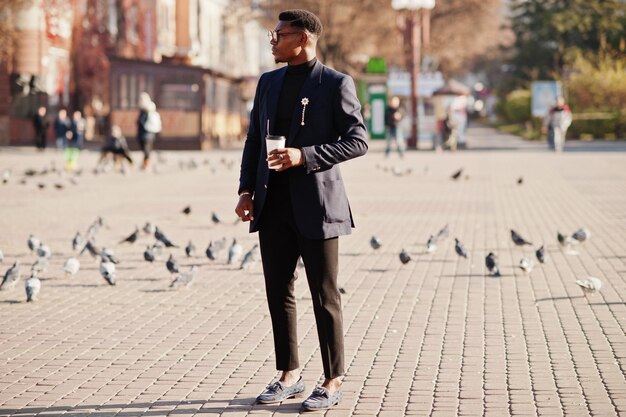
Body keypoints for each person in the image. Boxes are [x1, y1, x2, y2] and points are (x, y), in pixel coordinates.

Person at [234, 9, 367, 412]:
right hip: (271, 204)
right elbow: (254, 138)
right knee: (279, 291)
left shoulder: (335, 83)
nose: (272, 40)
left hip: (318, 205)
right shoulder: (268, 82)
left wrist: (303, 155)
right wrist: (245, 189)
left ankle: (332, 380)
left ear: (304, 37)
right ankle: (288, 374)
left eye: (279, 34)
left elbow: (357, 140)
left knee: (324, 295)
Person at [136, 92, 160, 170]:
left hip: (148, 132)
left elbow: (142, 121)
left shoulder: (148, 108)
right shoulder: (142, 109)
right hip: (143, 132)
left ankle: (147, 165)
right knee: (145, 149)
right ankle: (145, 164)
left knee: (147, 149)